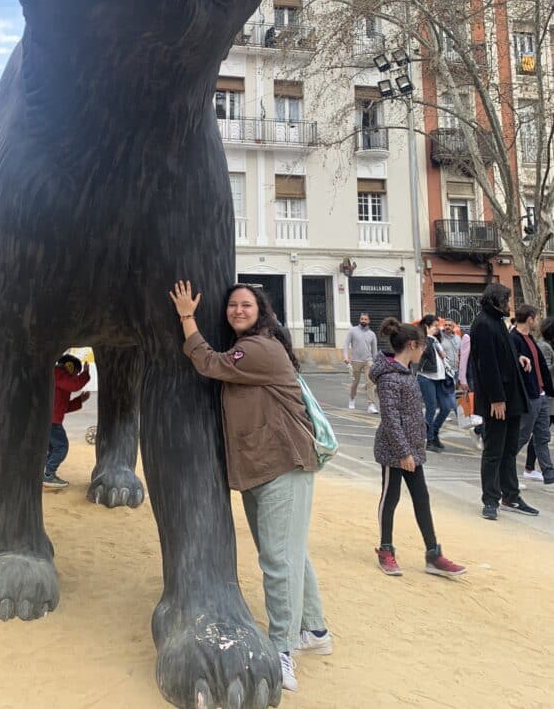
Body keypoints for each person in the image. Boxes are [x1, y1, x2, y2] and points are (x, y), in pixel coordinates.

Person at [170, 280, 331, 695]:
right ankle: (314, 628)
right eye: (232, 305)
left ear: (261, 310)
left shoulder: (258, 349)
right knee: (288, 554)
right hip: (263, 467)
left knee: (279, 561)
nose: (237, 310)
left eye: (246, 304)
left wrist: (187, 317)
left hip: (282, 465)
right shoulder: (254, 346)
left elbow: (208, 362)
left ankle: (281, 649)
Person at [370, 318, 466, 578]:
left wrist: (414, 448)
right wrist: (402, 453)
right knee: (390, 498)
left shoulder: (407, 372)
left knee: (421, 499)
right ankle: (385, 548)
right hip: (395, 451)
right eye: (422, 346)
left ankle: (433, 554)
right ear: (412, 345)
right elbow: (390, 419)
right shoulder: (390, 377)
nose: (424, 350)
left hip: (412, 450)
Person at [469, 284, 537, 519]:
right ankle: (490, 499)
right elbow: (487, 365)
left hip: (512, 397)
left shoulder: (497, 321)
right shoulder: (484, 324)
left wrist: (518, 358)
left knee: (509, 450)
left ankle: (511, 495)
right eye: (507, 300)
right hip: (499, 400)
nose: (510, 305)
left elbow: (501, 353)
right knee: (494, 451)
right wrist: (497, 399)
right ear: (496, 301)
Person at [510, 305, 554, 488]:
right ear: (529, 318)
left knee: (542, 436)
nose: (537, 322)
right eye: (535, 318)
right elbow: (511, 361)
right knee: (522, 435)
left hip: (541, 394)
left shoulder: (530, 339)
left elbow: (541, 367)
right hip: (529, 395)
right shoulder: (514, 338)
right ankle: (508, 473)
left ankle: (548, 472)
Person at [43, 354, 91, 489]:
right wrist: (85, 374)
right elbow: (75, 385)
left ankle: (45, 474)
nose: (75, 376)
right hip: (51, 422)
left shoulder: (59, 380)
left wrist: (80, 400)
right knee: (61, 447)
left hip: (50, 420)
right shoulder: (58, 373)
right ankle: (48, 475)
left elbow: (63, 408)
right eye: (75, 373)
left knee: (53, 449)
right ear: (69, 367)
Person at [523, 317, 554, 481]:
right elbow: (543, 370)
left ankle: (547, 470)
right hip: (545, 397)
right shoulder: (543, 346)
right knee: (533, 434)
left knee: (541, 435)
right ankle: (528, 468)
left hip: (547, 397)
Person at [416, 314, 452, 453]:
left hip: (440, 378)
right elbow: (420, 354)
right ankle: (429, 439)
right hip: (426, 377)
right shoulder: (424, 340)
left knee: (446, 406)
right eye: (435, 326)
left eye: (438, 325)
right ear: (427, 326)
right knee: (431, 408)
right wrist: (428, 339)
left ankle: (434, 432)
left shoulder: (436, 340)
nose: (438, 328)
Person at [343, 313, 378, 414]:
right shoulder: (352, 331)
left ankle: (371, 405)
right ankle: (352, 398)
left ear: (369, 321)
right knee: (355, 382)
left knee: (370, 382)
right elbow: (345, 344)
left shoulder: (372, 334)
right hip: (355, 361)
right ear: (359, 320)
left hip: (368, 361)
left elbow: (375, 351)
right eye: (362, 319)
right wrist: (346, 357)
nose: (363, 321)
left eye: (365, 319)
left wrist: (375, 363)